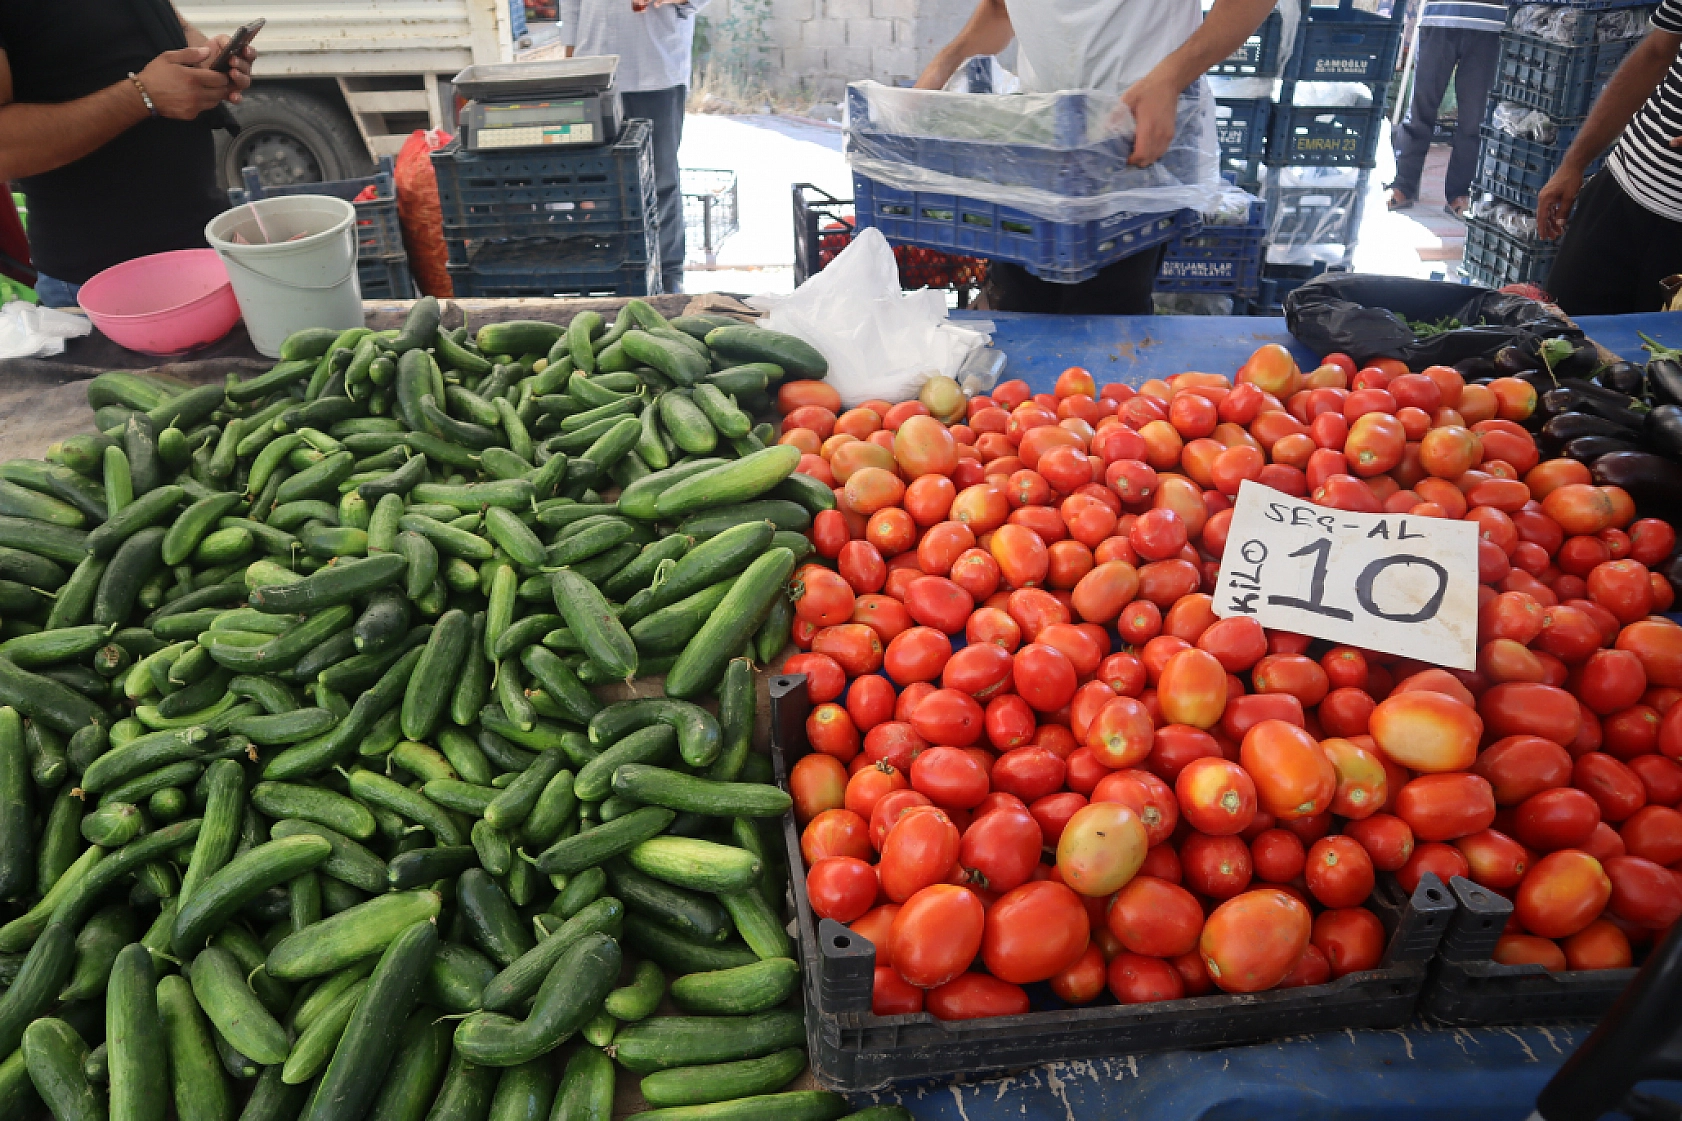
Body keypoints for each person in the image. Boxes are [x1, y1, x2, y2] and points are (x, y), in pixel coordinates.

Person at [914, 0, 1277, 315]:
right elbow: (1000, 9)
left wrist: (1170, 77)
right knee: (1019, 301)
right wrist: (943, 66)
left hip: (1132, 140)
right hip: (1039, 142)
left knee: (1106, 312)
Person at [0, 1, 255, 308]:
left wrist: (208, 58)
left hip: (204, 250)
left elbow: (173, 27)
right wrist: (141, 96)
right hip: (98, 286)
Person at [1535, 0, 1682, 314]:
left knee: (1659, 360)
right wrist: (1574, 162)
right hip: (1621, 189)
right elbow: (1656, 53)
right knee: (1563, 338)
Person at [560, 0, 705, 293]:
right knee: (595, 180)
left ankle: (668, 273)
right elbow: (571, 6)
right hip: (595, 73)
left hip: (656, 69)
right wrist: (571, 66)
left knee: (661, 179)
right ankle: (606, 269)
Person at [1387, 0, 1506, 219]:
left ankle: (1461, 193)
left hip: (1491, 22)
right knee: (1420, 108)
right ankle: (1404, 184)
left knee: (1475, 119)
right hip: (1439, 15)